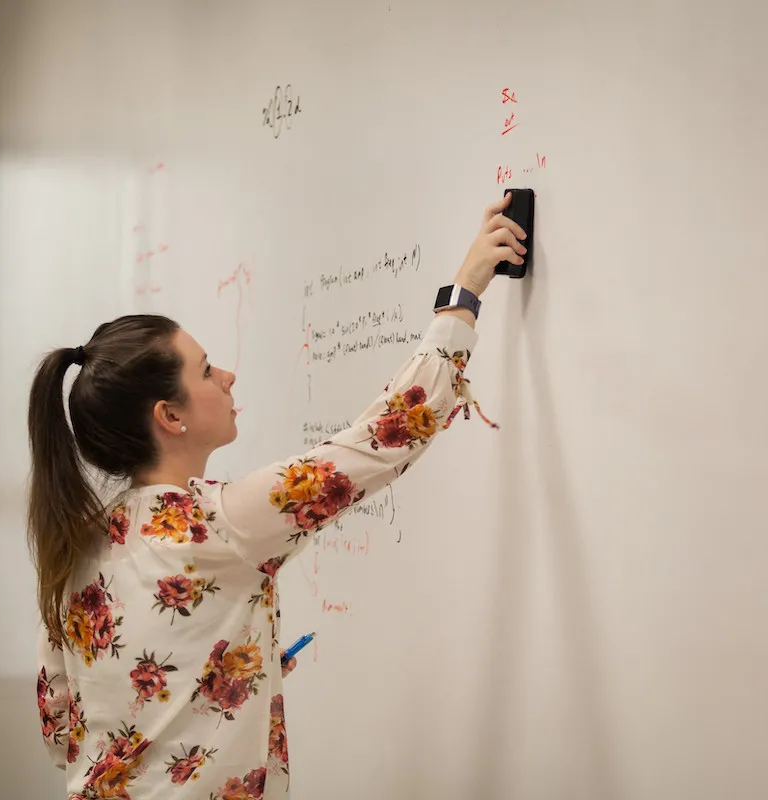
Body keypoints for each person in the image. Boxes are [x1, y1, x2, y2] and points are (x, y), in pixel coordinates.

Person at [29, 195, 527, 799]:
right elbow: (391, 433)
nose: (228, 377)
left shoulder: (74, 542)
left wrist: (205, 678)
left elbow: (60, 731)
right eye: (207, 370)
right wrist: (465, 290)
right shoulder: (218, 525)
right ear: (170, 415)